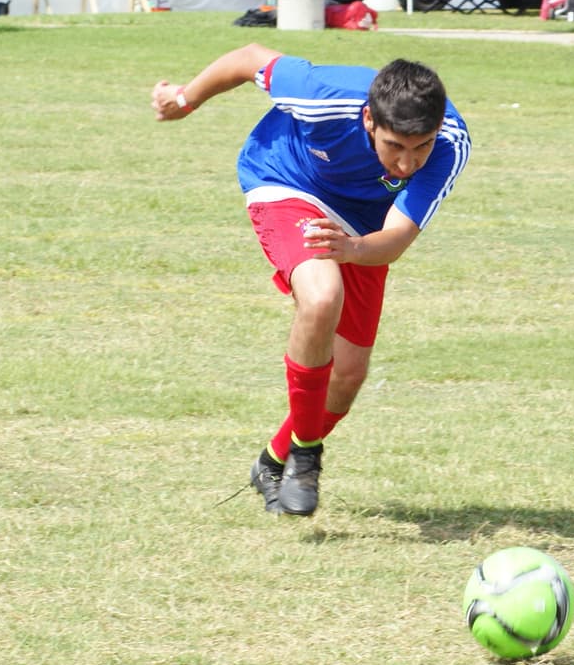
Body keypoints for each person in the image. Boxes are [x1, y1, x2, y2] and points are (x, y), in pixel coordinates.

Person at [150, 45, 471, 516]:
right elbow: (245, 59)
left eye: (419, 147)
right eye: (395, 148)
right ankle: (306, 455)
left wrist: (355, 248)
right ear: (368, 121)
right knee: (322, 296)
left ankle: (273, 459)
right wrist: (185, 98)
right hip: (288, 180)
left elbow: (398, 238)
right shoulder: (320, 95)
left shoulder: (449, 144)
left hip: (364, 227)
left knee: (347, 376)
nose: (407, 164)